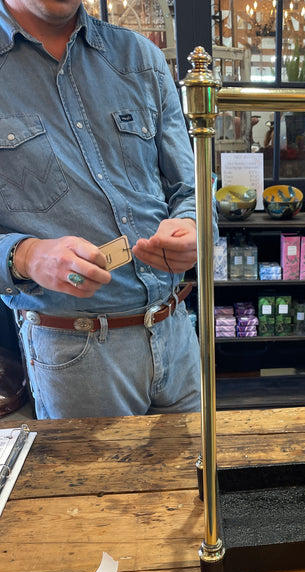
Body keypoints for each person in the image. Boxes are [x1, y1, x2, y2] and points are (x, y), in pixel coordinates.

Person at [0, 0, 214, 419]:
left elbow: (192, 187)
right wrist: (25, 255)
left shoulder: (140, 58)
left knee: (196, 479)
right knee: (97, 486)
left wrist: (193, 227)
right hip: (74, 354)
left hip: (176, 329)